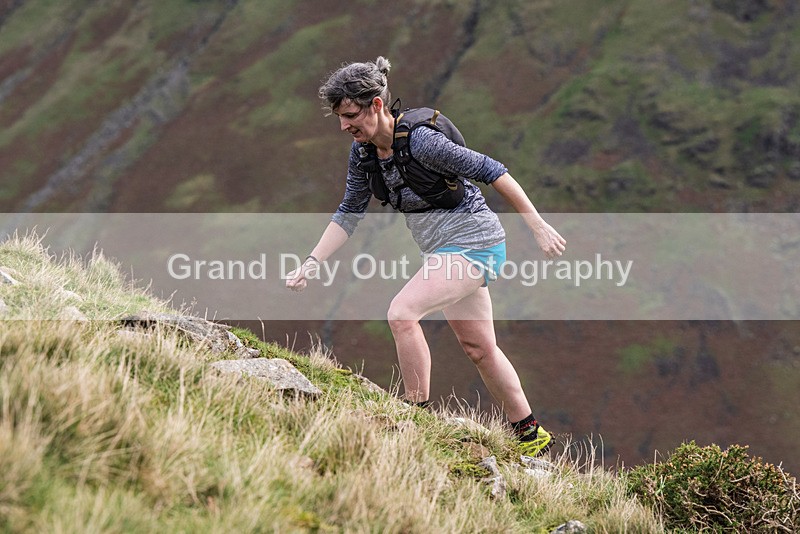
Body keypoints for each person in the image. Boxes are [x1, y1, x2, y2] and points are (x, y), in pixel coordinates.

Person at [286, 57, 566, 456]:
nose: (344, 127)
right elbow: (349, 211)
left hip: (475, 243)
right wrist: (311, 262)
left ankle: (415, 417)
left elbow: (493, 170)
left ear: (377, 105)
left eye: (350, 115)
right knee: (480, 349)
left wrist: (536, 225)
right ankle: (530, 432)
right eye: (339, 118)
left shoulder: (422, 141)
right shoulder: (363, 154)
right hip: (442, 251)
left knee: (402, 314)